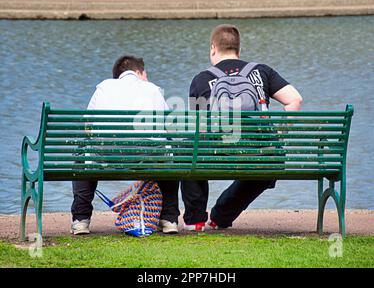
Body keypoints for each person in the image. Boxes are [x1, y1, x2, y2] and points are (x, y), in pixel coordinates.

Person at [182, 24, 303, 231]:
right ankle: (220, 216)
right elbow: (295, 100)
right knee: (267, 164)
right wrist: (279, 137)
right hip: (262, 153)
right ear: (239, 49)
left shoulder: (201, 79)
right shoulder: (261, 71)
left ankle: (196, 219)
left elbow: (199, 128)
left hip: (218, 154)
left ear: (213, 48)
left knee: (187, 150)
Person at [71, 55, 180, 235]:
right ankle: (169, 219)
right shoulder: (152, 90)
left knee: (84, 155)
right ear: (138, 72)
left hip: (108, 156)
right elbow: (168, 128)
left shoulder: (103, 87)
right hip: (147, 157)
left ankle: (81, 219)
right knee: (168, 155)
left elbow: (87, 126)